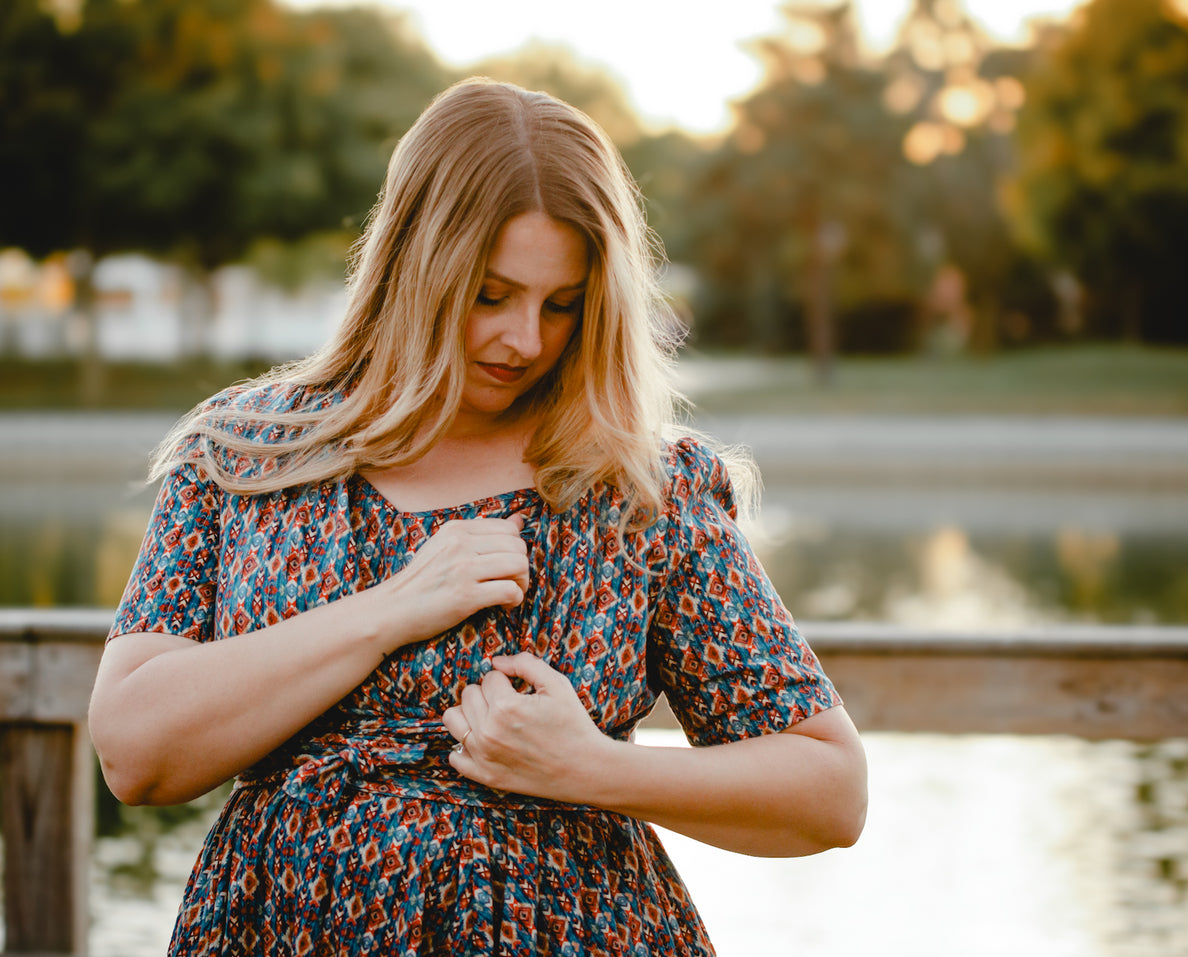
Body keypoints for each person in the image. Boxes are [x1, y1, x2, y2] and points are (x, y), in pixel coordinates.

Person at [88, 76, 867, 956]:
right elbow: (134, 752)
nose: (525, 340)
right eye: (489, 294)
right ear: (412, 262)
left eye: (561, 304)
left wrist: (589, 768)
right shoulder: (247, 455)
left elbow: (828, 790)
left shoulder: (640, 491)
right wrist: (392, 607)